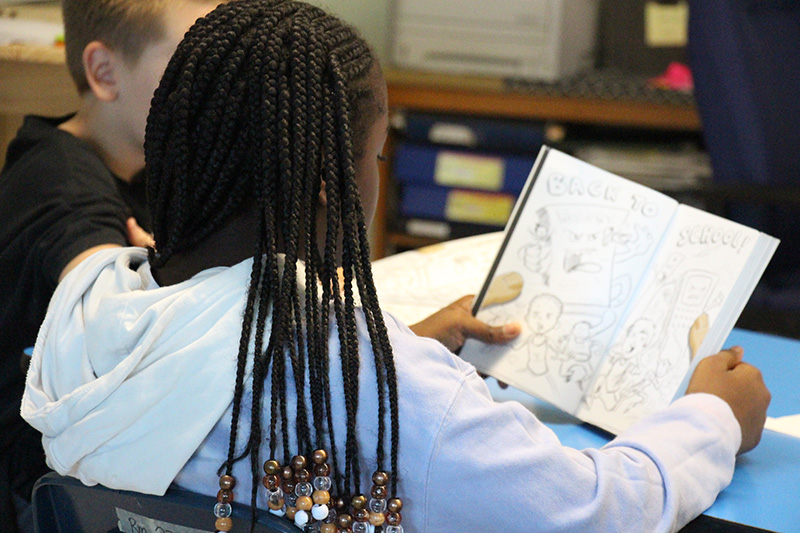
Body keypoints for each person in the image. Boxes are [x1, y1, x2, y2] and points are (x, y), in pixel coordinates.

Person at [22, 1, 770, 532]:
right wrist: (712, 416)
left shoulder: (90, 306)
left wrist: (398, 338)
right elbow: (600, 509)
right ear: (329, 189)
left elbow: (219, 358)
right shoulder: (383, 395)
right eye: (373, 158)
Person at [0, 0, 227, 529]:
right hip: (43, 492)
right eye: (196, 62)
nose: (223, 85)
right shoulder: (59, 184)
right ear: (104, 72)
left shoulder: (150, 167)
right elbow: (116, 324)